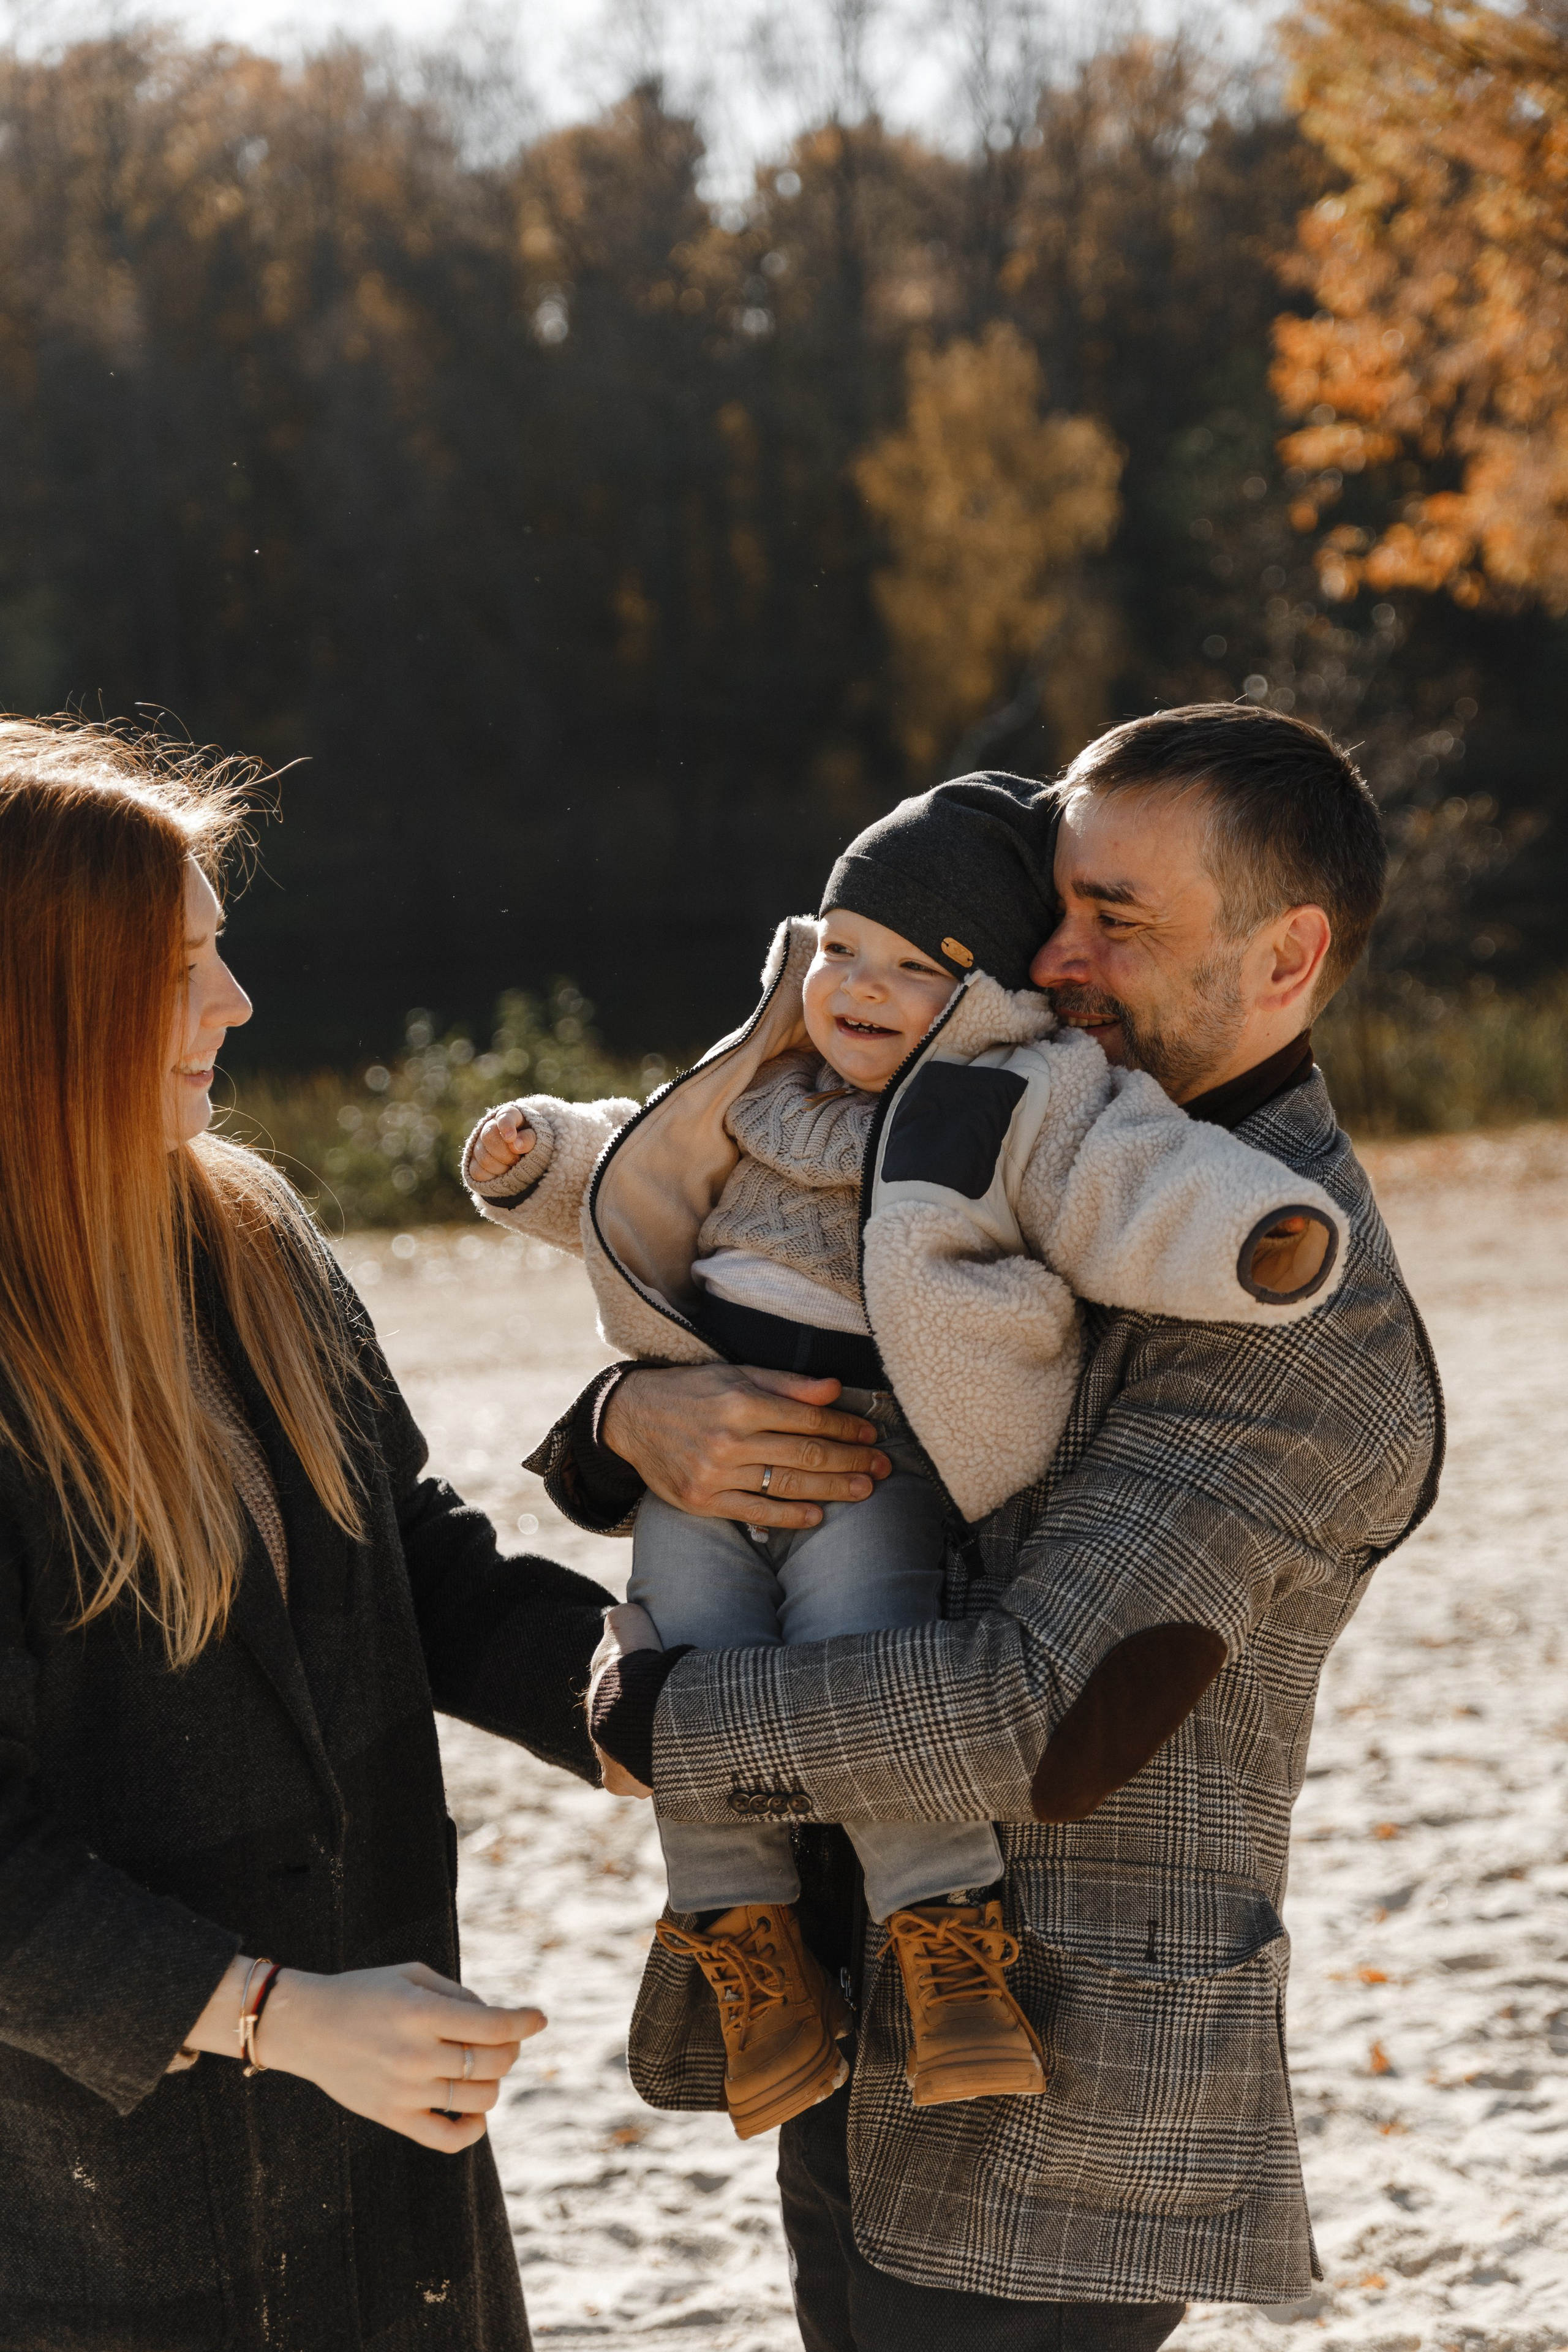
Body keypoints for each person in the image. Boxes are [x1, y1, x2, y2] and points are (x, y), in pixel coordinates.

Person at [537, 706, 1444, 2351]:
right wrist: (619, 1427)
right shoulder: (1001, 1127)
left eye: (1118, 918)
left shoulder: (1292, 1304)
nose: (1055, 952)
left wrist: (657, 1720)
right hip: (843, 2004)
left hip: (1066, 2097)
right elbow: (783, 1317)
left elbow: (1047, 1717)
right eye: (1056, 902)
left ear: (1286, 952)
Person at [464, 778, 1347, 2147]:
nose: (856, 987)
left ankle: (945, 1951)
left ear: (989, 993)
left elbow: (1127, 1183)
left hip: (877, 1454)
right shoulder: (761, 1076)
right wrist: (535, 1158)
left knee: (862, 1648)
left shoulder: (1015, 1103)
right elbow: (637, 1153)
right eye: (836, 949)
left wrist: (1252, 1235)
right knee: (681, 1653)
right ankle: (745, 1954)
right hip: (699, 1439)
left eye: (910, 968)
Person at [0, 719, 614, 2352]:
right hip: (92, 2232)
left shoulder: (255, 1242)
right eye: (183, 964)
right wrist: (279, 2019)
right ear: (44, 1006)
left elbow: (406, 1557)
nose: (238, 1002)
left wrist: (647, 1711)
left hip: (383, 2176)